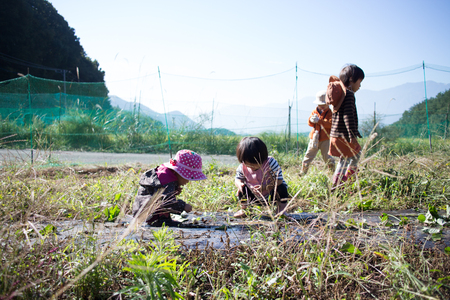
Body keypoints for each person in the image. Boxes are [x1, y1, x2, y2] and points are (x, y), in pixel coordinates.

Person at [132, 149, 207, 226]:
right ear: (178, 173)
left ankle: (163, 219)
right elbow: (167, 202)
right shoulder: (167, 179)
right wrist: (183, 206)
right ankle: (158, 221)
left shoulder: (166, 174)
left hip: (141, 209)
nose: (188, 181)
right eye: (188, 178)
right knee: (163, 204)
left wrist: (173, 190)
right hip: (146, 214)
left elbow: (160, 193)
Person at [328, 64, 365, 190]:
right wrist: (352, 135)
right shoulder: (348, 94)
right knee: (356, 155)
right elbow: (348, 116)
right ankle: (344, 182)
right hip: (344, 135)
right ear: (351, 79)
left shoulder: (340, 94)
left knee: (344, 160)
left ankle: (336, 183)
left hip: (335, 135)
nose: (360, 85)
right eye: (359, 81)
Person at [234, 137, 289, 218]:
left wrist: (265, 187)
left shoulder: (270, 163)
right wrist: (239, 184)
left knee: (282, 188)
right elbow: (237, 179)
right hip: (254, 196)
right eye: (248, 164)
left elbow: (279, 180)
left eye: (254, 164)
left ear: (263, 157)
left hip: (271, 195)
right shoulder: (242, 167)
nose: (251, 167)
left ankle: (281, 210)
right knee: (242, 189)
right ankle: (244, 209)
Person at [301, 90, 335, 175]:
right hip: (314, 138)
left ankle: (332, 172)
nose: (322, 107)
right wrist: (311, 120)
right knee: (308, 156)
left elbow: (331, 124)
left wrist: (319, 121)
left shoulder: (330, 113)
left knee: (327, 157)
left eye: (324, 105)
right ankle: (303, 172)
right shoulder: (314, 112)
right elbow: (310, 123)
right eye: (321, 105)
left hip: (325, 139)